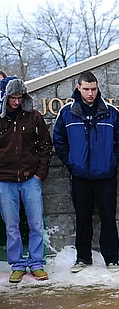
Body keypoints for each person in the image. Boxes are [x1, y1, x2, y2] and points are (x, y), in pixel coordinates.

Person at [53, 71, 119, 272]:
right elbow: (59, 139)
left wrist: (112, 161)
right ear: (78, 88)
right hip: (80, 176)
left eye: (93, 89)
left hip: (106, 176)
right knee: (82, 218)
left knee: (108, 218)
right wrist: (71, 162)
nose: (90, 93)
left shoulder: (110, 112)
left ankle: (111, 259)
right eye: (86, 89)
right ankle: (83, 258)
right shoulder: (67, 112)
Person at [0, 77, 52, 283]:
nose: (16, 101)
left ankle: (37, 263)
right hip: (5, 180)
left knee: (36, 223)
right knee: (11, 225)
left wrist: (40, 174)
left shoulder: (34, 117)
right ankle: (17, 264)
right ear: (5, 97)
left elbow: (45, 146)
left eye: (19, 97)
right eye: (12, 97)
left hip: (31, 179)